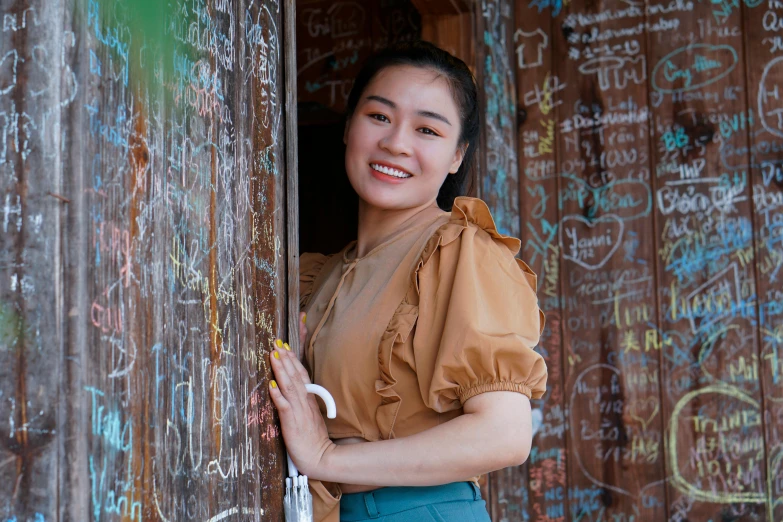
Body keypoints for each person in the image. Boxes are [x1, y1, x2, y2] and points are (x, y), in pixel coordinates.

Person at [268, 41, 547, 522]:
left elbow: (504, 435)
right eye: (379, 116)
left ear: (457, 156)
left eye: (426, 129)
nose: (396, 142)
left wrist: (327, 459)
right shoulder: (325, 273)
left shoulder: (461, 256)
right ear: (349, 126)